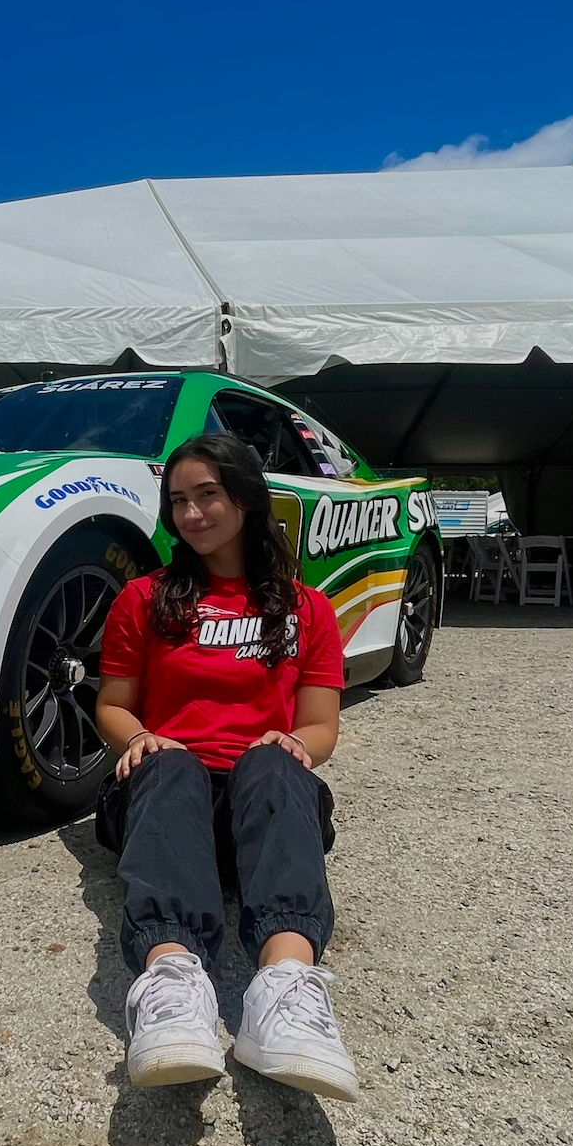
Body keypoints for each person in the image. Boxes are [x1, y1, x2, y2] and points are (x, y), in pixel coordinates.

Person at [94, 432, 357, 1101]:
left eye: (207, 495)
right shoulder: (145, 600)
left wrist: (297, 747)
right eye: (178, 501)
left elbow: (320, 726)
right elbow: (113, 707)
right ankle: (173, 983)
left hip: (258, 800)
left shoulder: (307, 609)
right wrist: (142, 740)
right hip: (167, 794)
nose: (191, 514)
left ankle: (285, 992)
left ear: (245, 497)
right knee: (173, 766)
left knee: (271, 761)